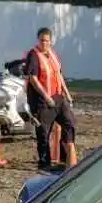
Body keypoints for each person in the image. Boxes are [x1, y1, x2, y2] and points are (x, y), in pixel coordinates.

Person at [25, 27, 76, 170]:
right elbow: (33, 79)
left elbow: (59, 75)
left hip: (59, 98)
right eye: (42, 40)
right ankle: (44, 164)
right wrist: (46, 97)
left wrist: (67, 94)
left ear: (51, 41)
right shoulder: (33, 55)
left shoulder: (53, 54)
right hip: (42, 102)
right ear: (38, 40)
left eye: (47, 41)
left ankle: (64, 157)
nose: (44, 43)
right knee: (44, 133)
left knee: (70, 124)